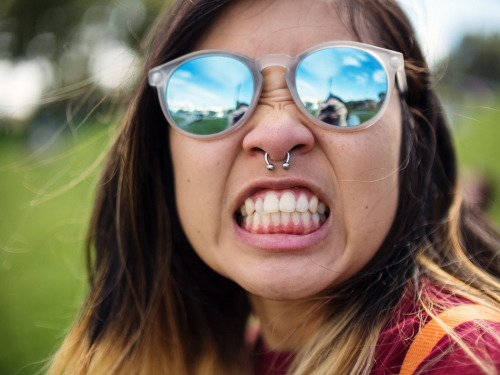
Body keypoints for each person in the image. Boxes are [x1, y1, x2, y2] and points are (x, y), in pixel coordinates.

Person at [47, 0, 500, 374]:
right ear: (160, 153)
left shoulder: (462, 357)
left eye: (343, 76)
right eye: (217, 94)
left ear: (413, 133)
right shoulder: (235, 355)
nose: (276, 133)